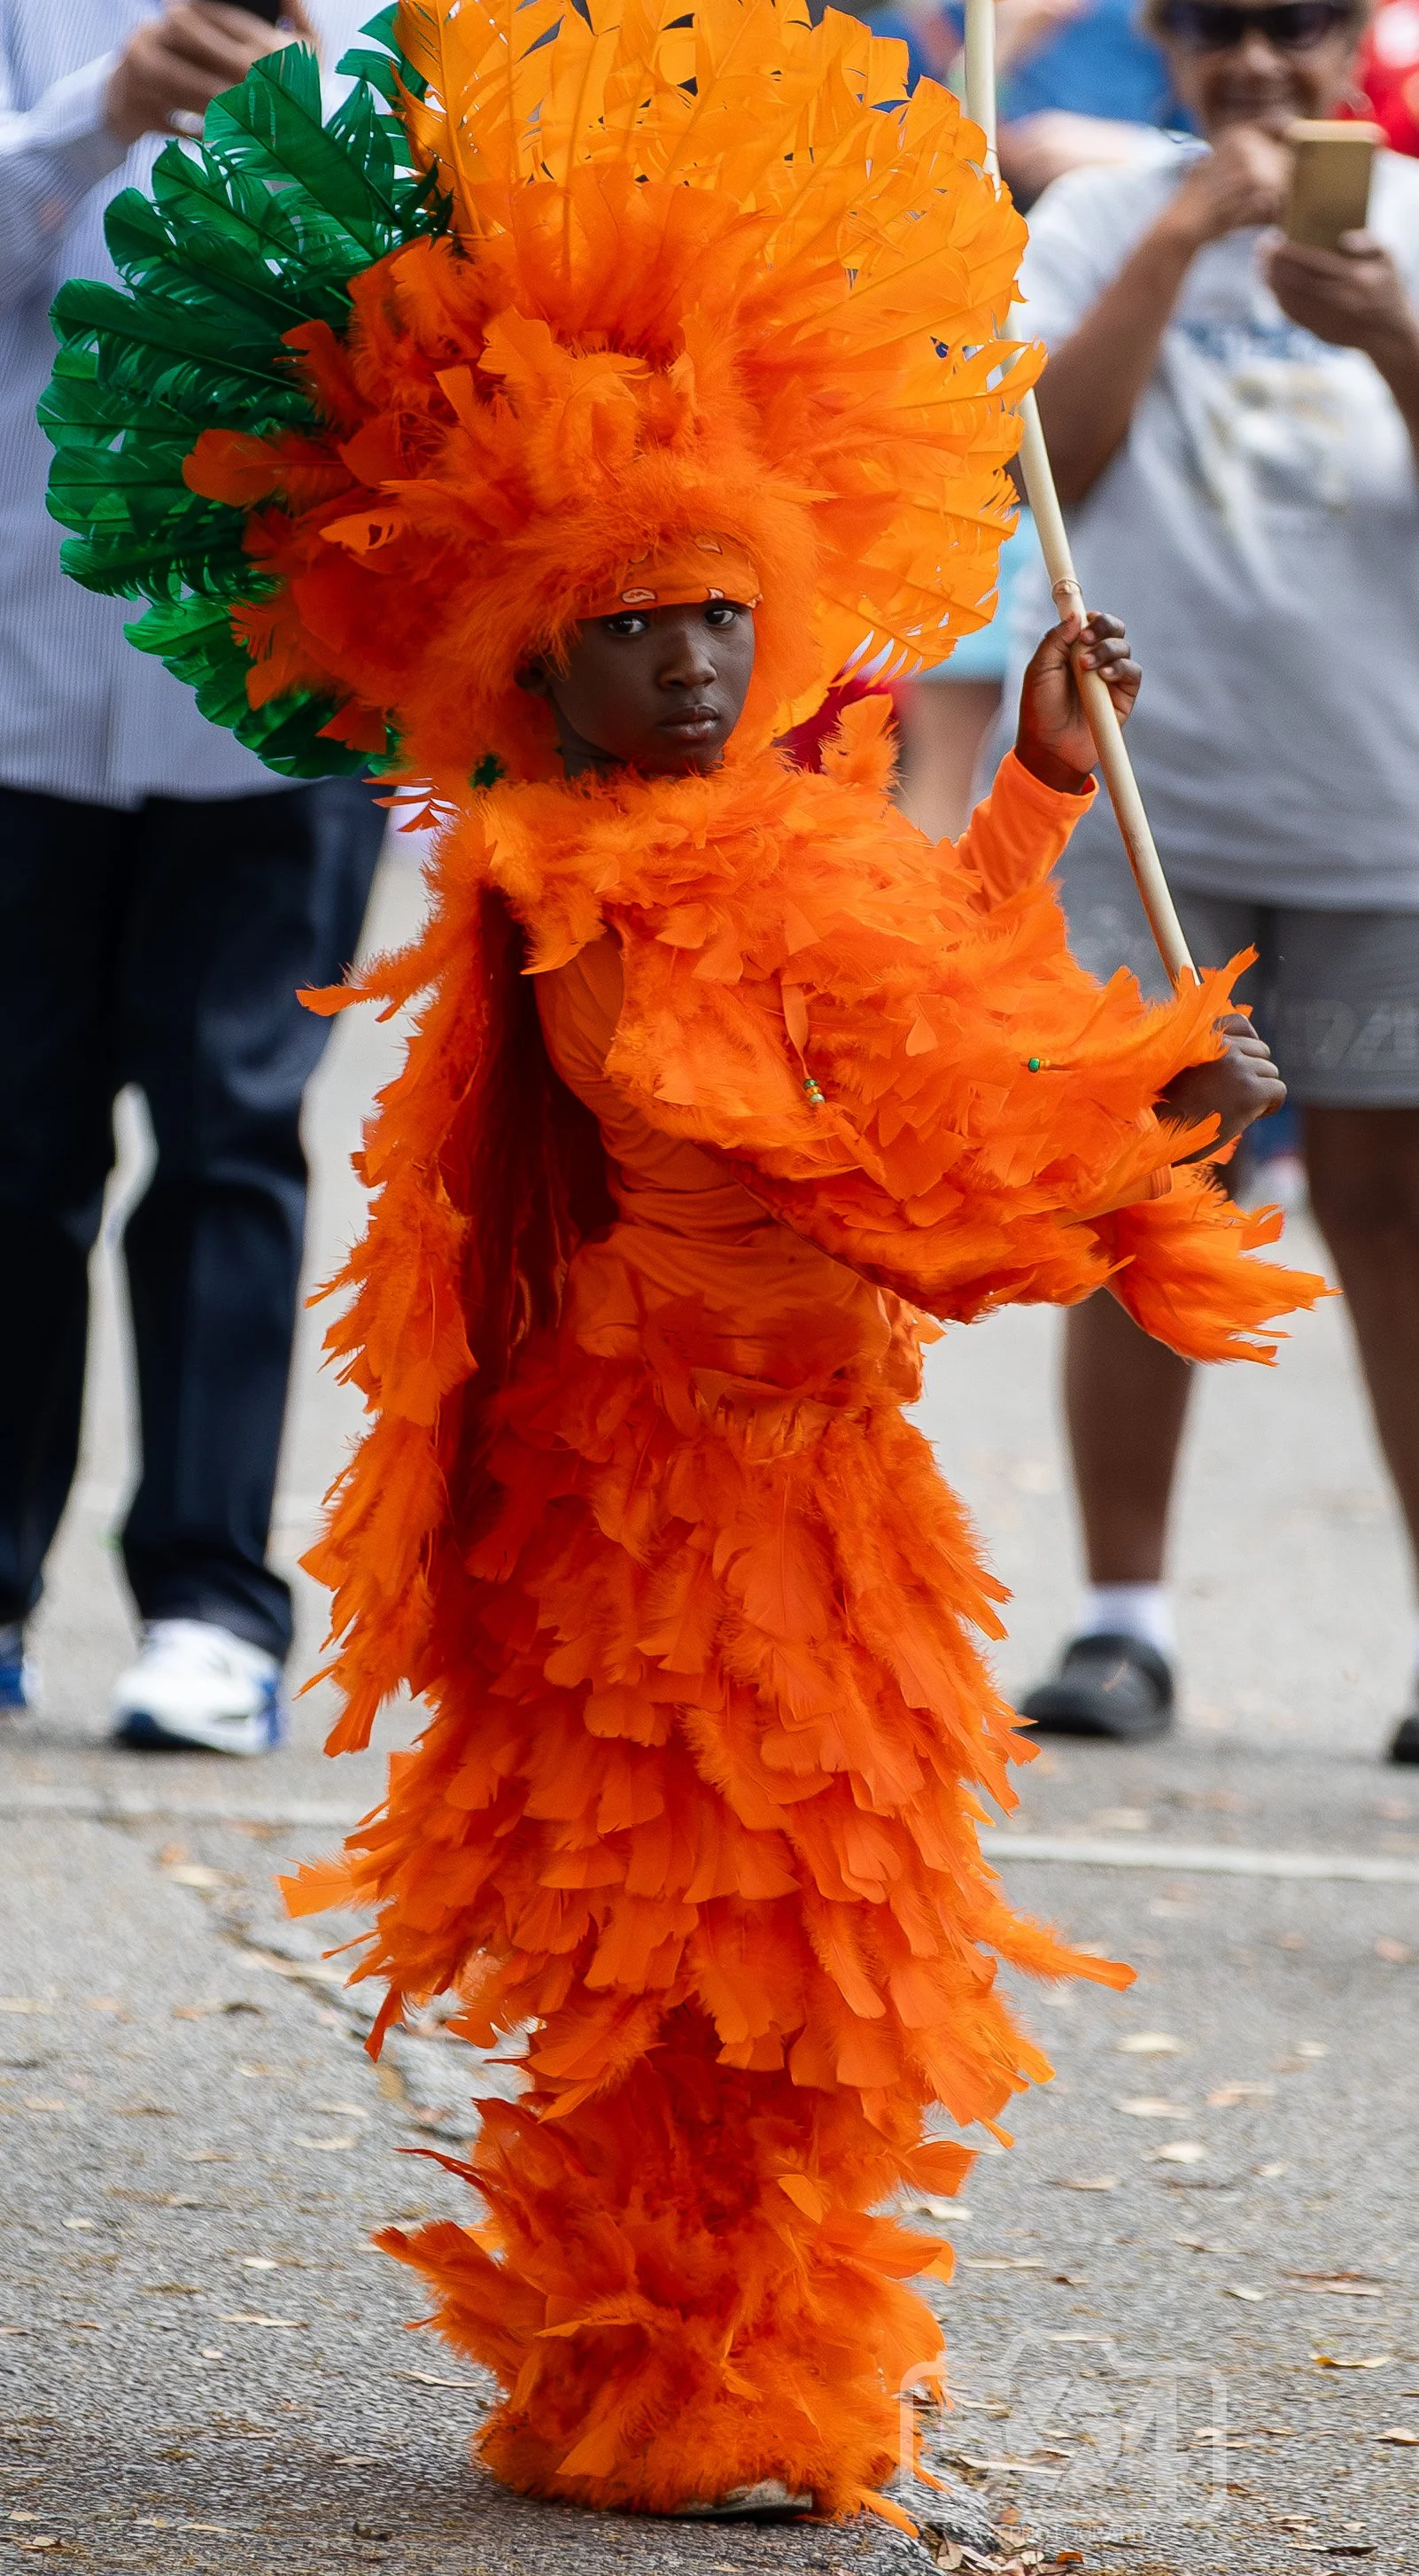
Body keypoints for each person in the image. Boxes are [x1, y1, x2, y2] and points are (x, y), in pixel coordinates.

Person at [48, 0, 1314, 2515]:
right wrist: (1130, 1130)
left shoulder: (795, 824)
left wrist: (1040, 796)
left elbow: (903, 996)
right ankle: (667, 2376)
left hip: (823, 1479)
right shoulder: (582, 892)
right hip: (667, 1498)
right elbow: (837, 1163)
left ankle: (745, 2360)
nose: (695, 662)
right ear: (536, 655)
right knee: (682, 1959)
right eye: (633, 627)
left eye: (722, 614)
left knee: (830, 1959)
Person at [998, 0, 1419, 1762]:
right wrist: (1177, 239)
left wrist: (1398, 345)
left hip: (1382, 806)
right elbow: (1046, 474)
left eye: (1297, 27)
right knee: (1147, 1201)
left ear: (1354, 44)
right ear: (1166, 45)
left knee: (1395, 1222)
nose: (1258, 65)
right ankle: (1123, 1619)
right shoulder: (1103, 220)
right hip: (1155, 814)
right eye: (1220, 29)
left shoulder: (1405, 224)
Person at [0, 0, 386, 1752]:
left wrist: (318, 147)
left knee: (234, 1138)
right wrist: (94, 115)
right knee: (14, 1149)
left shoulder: (402, 20)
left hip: (284, 687)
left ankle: (210, 1600)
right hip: (20, 677)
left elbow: (471, 321)